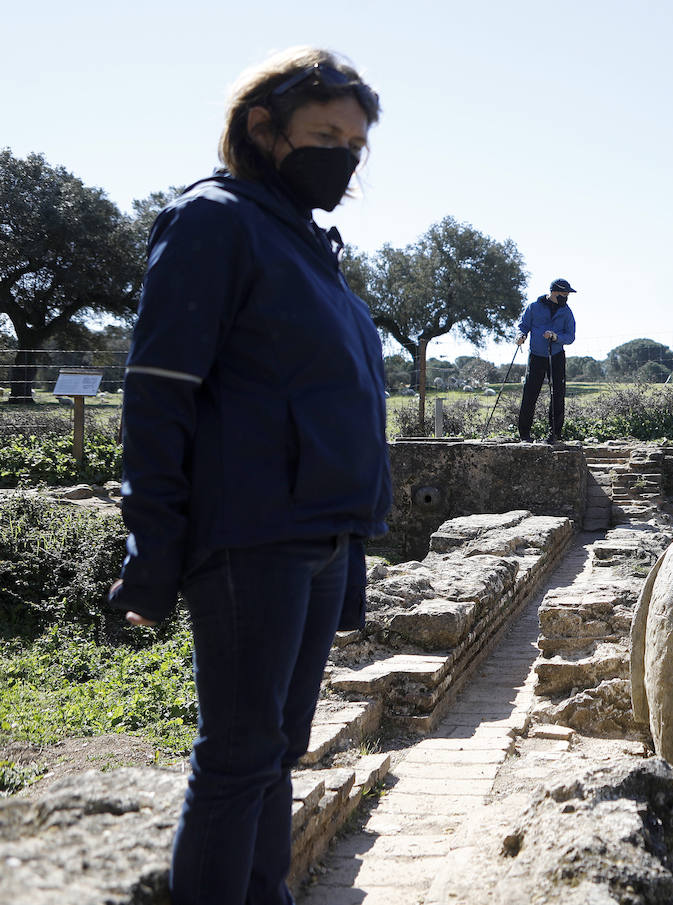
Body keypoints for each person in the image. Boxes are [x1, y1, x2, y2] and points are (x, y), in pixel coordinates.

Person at [107, 48, 389, 905]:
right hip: (251, 537)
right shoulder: (213, 220)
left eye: (356, 142)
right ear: (261, 129)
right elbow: (159, 394)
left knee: (277, 748)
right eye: (325, 134)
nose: (343, 155)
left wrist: (352, 541)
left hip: (319, 534)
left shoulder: (305, 241)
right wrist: (153, 548)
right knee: (235, 758)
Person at [516, 278, 577, 442]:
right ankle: (524, 434)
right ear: (554, 292)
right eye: (564, 294)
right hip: (536, 355)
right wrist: (520, 336)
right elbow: (523, 325)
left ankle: (555, 434)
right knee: (530, 393)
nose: (566, 297)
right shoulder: (534, 307)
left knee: (557, 394)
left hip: (556, 355)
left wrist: (556, 337)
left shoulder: (567, 312)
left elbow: (570, 336)